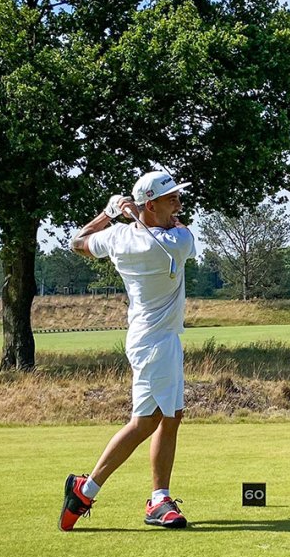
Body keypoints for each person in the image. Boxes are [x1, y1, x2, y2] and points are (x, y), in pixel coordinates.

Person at [60, 170, 196, 531]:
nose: (179, 205)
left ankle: (154, 497)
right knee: (149, 421)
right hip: (156, 342)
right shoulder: (177, 241)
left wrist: (109, 213)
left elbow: (78, 241)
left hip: (152, 338)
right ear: (150, 204)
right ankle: (88, 490)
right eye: (171, 199)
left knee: (169, 416)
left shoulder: (118, 237)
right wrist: (132, 214)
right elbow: (173, 230)